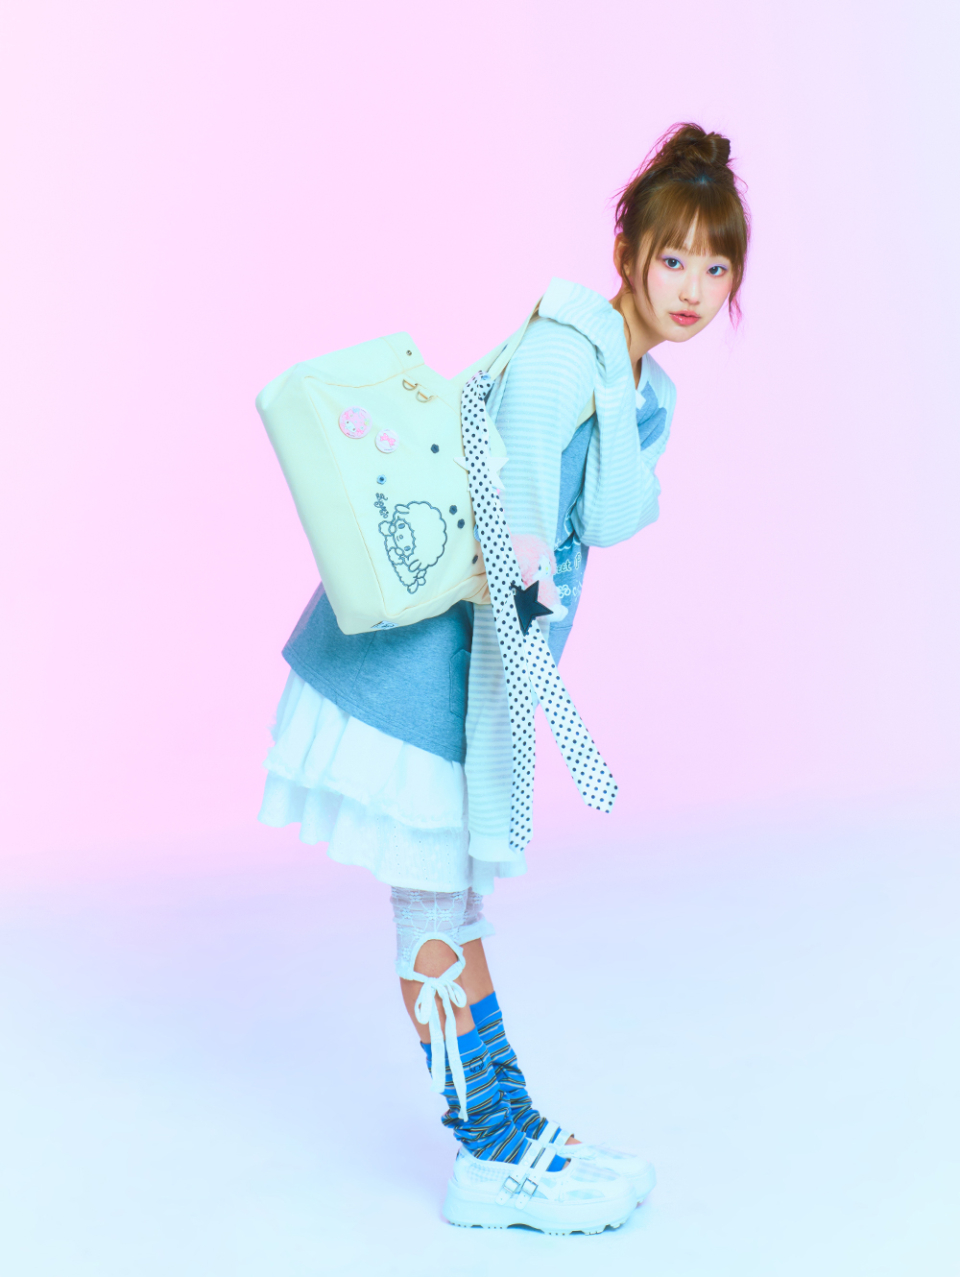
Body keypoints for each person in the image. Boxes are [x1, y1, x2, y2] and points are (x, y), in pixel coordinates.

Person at [258, 122, 750, 1234]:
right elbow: (515, 536)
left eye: (717, 266)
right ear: (626, 252)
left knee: (454, 903)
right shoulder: (566, 357)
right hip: (422, 672)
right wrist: (512, 726)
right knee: (437, 906)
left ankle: (503, 1126)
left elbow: (589, 527)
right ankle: (490, 1148)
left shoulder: (631, 383)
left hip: (468, 670)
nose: (692, 287)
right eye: (674, 256)